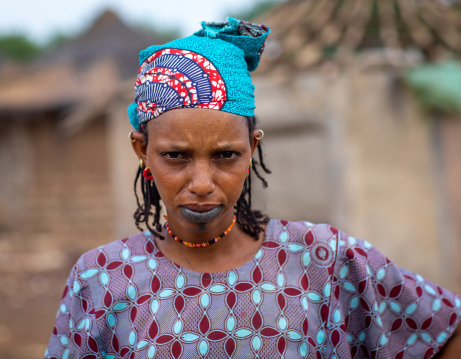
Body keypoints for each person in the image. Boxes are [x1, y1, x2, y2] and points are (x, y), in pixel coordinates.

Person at [44, 18, 461, 358]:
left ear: (252, 148)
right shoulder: (102, 278)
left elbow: (443, 330)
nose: (203, 184)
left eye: (226, 156)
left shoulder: (327, 262)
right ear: (142, 151)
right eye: (177, 156)